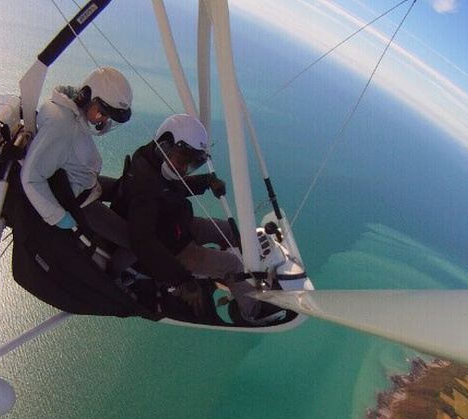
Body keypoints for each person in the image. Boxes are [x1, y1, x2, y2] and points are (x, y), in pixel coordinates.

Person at [112, 113, 284, 326]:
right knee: (233, 265)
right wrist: (183, 280)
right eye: (182, 161)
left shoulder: (155, 160)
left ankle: (246, 270)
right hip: (171, 247)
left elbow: (172, 185)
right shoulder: (145, 187)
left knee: (228, 230)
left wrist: (206, 181)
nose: (184, 169)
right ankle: (251, 312)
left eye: (191, 164)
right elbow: (143, 242)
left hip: (176, 225)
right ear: (165, 145)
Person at [20, 67, 134, 271]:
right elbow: (31, 177)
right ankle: (115, 277)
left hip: (87, 184)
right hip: (83, 204)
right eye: (102, 113)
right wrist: (58, 217)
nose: (103, 120)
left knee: (127, 188)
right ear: (84, 97)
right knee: (136, 243)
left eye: (108, 117)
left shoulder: (71, 112)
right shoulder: (60, 124)